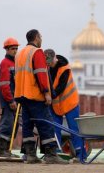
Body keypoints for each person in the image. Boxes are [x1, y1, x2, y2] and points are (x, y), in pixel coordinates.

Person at [14, 29, 68, 164]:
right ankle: (51, 155)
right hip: (34, 95)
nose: (41, 39)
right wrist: (46, 93)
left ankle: (30, 155)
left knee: (28, 125)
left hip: (22, 95)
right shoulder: (36, 52)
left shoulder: (20, 53)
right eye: (41, 36)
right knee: (46, 124)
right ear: (36, 38)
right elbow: (41, 74)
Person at [44, 49, 87, 162]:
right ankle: (56, 153)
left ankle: (81, 155)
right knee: (54, 128)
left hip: (70, 102)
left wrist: (48, 96)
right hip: (56, 104)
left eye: (50, 62)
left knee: (74, 129)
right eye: (47, 63)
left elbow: (60, 88)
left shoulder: (65, 69)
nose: (49, 65)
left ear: (55, 58)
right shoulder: (47, 67)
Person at [0, 37, 21, 160]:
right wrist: (10, 100)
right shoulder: (5, 63)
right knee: (7, 124)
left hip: (15, 100)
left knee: (13, 126)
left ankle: (7, 150)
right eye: (12, 49)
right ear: (6, 49)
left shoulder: (15, 64)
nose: (15, 51)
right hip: (9, 101)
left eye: (16, 49)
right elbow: (4, 85)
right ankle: (1, 151)